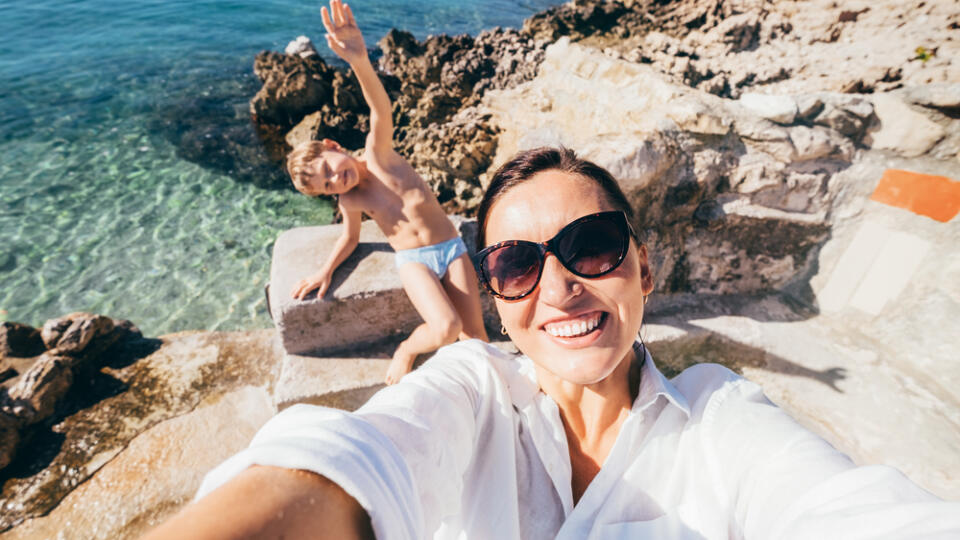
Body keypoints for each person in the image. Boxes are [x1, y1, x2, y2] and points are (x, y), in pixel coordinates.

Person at [143, 147, 960, 539]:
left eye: (594, 246)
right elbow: (348, 458)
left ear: (644, 267)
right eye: (516, 263)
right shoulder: (471, 389)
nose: (561, 286)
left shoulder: (722, 419)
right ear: (497, 297)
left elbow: (849, 513)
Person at [285, 0, 488, 384]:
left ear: (333, 145)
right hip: (414, 261)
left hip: (451, 246)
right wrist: (324, 271)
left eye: (329, 168)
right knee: (445, 328)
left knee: (475, 337)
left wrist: (359, 60)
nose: (334, 180)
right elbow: (350, 238)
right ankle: (408, 349)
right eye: (325, 186)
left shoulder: (378, 154)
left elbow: (381, 108)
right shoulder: (351, 199)